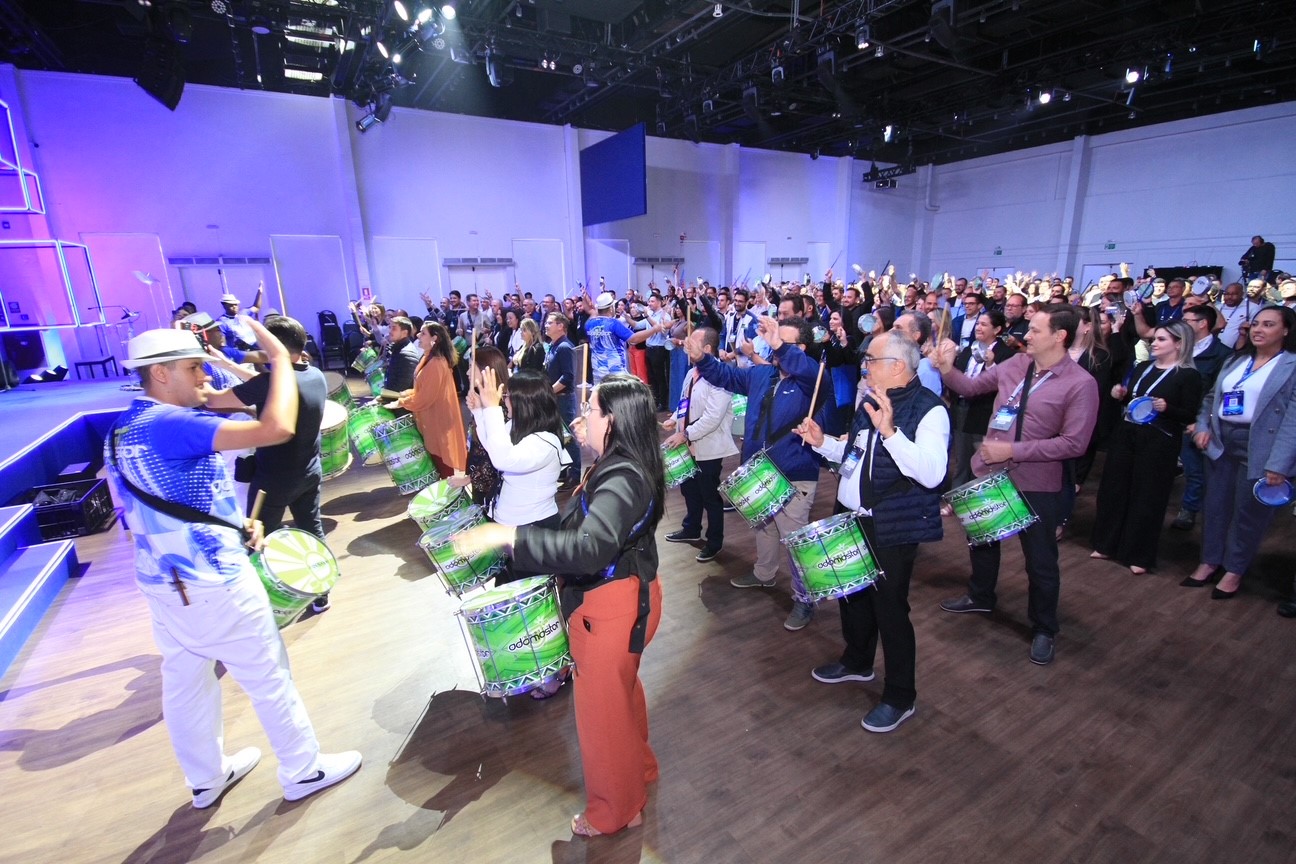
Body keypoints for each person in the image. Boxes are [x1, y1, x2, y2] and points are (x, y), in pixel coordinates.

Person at [105, 323, 360, 810]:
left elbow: (164, 498)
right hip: (212, 579)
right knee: (267, 673)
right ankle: (303, 769)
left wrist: (234, 521)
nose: (204, 376)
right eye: (193, 368)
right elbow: (276, 429)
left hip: (163, 580)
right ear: (160, 374)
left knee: (186, 683)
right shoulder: (175, 423)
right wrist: (279, 360)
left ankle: (205, 777)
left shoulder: (124, 426)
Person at [454, 374, 665, 837]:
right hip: (630, 595)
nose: (581, 416)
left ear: (614, 420)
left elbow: (590, 548)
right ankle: (640, 770)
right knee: (621, 696)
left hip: (612, 607)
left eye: (591, 409)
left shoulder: (623, 476)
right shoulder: (627, 462)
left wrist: (509, 536)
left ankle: (616, 810)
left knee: (601, 716)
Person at [795, 330, 949, 733]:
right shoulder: (870, 400)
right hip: (852, 515)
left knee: (891, 610)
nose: (864, 367)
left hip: (891, 524)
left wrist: (891, 432)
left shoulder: (930, 410)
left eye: (871, 361)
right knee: (853, 596)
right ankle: (858, 661)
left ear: (896, 366)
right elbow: (855, 457)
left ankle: (900, 696)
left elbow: (933, 474)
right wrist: (823, 443)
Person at [933, 305, 1100, 665]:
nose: (1027, 335)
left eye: (1036, 330)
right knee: (982, 540)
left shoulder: (1080, 383)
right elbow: (971, 387)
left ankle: (1044, 627)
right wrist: (946, 368)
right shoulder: (1015, 364)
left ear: (1060, 336)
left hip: (1036, 482)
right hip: (991, 473)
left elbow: (1075, 443)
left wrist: (1013, 450)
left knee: (1040, 560)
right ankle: (980, 595)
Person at [686, 315, 823, 631]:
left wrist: (781, 348)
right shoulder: (763, 374)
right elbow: (726, 376)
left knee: (795, 539)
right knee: (764, 526)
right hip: (759, 469)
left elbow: (806, 370)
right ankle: (764, 573)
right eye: (773, 341)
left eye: (782, 342)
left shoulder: (813, 379)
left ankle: (805, 598)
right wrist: (702, 359)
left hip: (793, 471)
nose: (774, 348)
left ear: (801, 348)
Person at [203, 315, 333, 611]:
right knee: (311, 529)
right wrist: (227, 364)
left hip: (273, 480)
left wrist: (195, 371)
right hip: (309, 471)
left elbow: (214, 400)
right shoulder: (315, 374)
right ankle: (321, 592)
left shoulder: (268, 382)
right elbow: (269, 385)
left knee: (258, 539)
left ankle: (268, 602)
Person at [1183, 306, 1296, 598]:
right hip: (1222, 441)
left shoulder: (1291, 365)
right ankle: (1210, 561)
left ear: (1285, 330)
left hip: (1263, 446)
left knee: (1248, 513)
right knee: (1215, 506)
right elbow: (1211, 398)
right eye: (1256, 324)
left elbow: (1293, 421)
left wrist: (1280, 463)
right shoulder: (1236, 359)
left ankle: (1234, 569)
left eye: (1268, 325)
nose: (1258, 329)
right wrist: (1203, 425)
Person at [1090, 322, 1202, 573]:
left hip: (1159, 441)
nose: (1154, 344)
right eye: (1154, 339)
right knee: (1114, 490)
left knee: (1147, 496)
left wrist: (1168, 408)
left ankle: (1138, 555)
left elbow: (1189, 413)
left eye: (1161, 339)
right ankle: (1106, 543)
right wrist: (1121, 395)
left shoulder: (1188, 375)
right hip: (1127, 433)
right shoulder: (1142, 367)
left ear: (1179, 344)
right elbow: (1135, 400)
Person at [468, 367, 569, 585]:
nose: (504, 401)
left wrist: (491, 409)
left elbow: (502, 459)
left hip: (533, 530)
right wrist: (480, 411)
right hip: (512, 529)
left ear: (524, 402)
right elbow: (493, 445)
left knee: (530, 597)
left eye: (507, 396)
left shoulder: (545, 442)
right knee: (508, 592)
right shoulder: (516, 428)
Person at [663, 327, 738, 562]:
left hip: (708, 446)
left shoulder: (722, 376)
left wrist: (685, 434)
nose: (687, 345)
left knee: (709, 496)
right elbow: (684, 401)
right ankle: (691, 528)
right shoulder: (691, 372)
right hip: (688, 444)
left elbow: (713, 418)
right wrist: (674, 418)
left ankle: (714, 542)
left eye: (693, 342)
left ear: (707, 348)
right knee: (689, 489)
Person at [1172, 305, 1236, 529]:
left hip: (1195, 421)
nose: (1182, 324)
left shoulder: (1223, 355)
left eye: (1187, 320)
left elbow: (1218, 394)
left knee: (1194, 471)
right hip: (1170, 415)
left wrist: (1204, 421)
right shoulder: (1177, 347)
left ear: (1202, 324)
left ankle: (1189, 509)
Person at [387, 321, 467, 478]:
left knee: (444, 466)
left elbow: (424, 397)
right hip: (433, 417)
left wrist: (401, 401)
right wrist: (403, 395)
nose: (418, 335)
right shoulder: (429, 358)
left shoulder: (436, 362)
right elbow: (421, 390)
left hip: (439, 420)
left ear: (434, 338)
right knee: (439, 462)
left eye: (423, 333)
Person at [948, 310, 1013, 489]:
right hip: (961, 408)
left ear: (997, 329)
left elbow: (1005, 385)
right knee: (961, 458)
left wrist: (991, 364)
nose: (978, 327)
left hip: (984, 413)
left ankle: (979, 497)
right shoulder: (969, 349)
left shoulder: (1006, 354)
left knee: (982, 461)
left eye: (984, 324)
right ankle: (957, 495)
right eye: (977, 323)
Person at [544, 312, 581, 486]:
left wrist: (549, 391)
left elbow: (568, 377)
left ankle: (575, 473)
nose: (546, 325)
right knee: (558, 436)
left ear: (560, 326)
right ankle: (564, 470)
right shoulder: (553, 346)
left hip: (563, 400)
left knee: (568, 437)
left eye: (550, 322)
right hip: (555, 398)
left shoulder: (564, 347)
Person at [586, 291, 653, 384]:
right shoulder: (613, 323)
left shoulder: (589, 324)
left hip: (597, 370)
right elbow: (634, 339)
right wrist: (654, 329)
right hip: (615, 370)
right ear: (611, 308)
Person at [383, 316, 421, 397]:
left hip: (399, 402)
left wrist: (384, 396)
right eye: (390, 327)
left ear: (404, 333)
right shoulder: (398, 349)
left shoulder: (406, 354)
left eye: (394, 328)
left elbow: (402, 388)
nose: (390, 331)